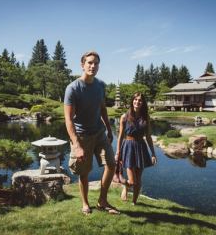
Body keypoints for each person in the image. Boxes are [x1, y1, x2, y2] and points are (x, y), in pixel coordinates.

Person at [64, 51, 119, 215]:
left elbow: (103, 109)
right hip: (82, 135)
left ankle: (102, 200)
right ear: (82, 65)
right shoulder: (73, 88)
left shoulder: (100, 85)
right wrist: (76, 144)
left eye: (96, 63)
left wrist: (109, 129)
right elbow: (68, 119)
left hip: (99, 133)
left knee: (111, 164)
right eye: (89, 63)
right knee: (84, 172)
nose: (93, 66)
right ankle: (85, 203)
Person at [115, 92, 157, 205]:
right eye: (135, 99)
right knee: (132, 180)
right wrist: (117, 152)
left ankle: (134, 201)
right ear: (132, 101)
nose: (137, 102)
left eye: (140, 100)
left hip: (141, 147)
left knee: (138, 180)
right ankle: (126, 186)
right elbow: (120, 137)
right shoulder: (124, 117)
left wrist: (153, 153)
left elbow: (148, 137)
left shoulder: (146, 117)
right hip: (128, 147)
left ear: (143, 103)